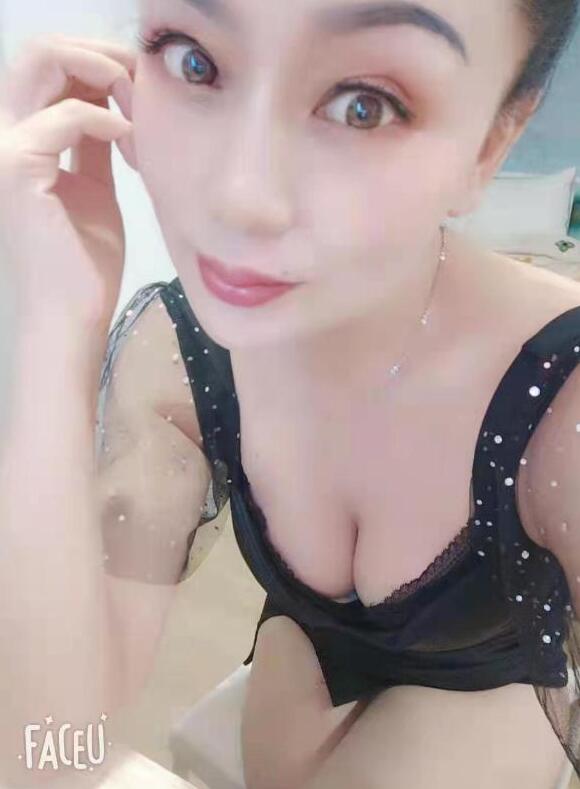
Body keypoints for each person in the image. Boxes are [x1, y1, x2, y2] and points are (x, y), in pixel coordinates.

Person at [1, 0, 580, 787]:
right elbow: (44, 750)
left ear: (492, 143)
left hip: (488, 685)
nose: (241, 195)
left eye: (365, 105)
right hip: (305, 659)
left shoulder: (562, 398)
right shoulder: (178, 352)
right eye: (196, 60)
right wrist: (54, 326)